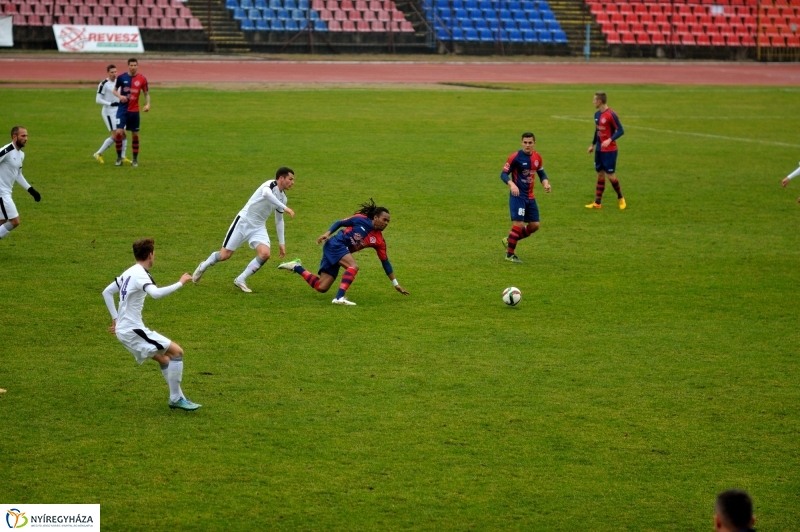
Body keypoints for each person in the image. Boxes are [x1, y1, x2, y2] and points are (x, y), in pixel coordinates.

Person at [102, 238, 200, 411]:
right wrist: (180, 283)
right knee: (177, 352)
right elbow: (155, 294)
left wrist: (116, 319)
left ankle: (178, 397)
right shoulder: (140, 274)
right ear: (150, 255)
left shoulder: (129, 271)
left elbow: (107, 292)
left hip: (125, 330)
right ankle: (176, 399)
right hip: (133, 330)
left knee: (164, 358)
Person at [278, 199, 409, 306]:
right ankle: (339, 298)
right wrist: (327, 233)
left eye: (388, 221)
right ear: (375, 217)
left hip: (339, 252)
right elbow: (340, 222)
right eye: (384, 220)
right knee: (353, 266)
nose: (386, 223)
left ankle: (296, 266)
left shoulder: (379, 241)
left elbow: (385, 262)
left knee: (321, 287)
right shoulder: (360, 219)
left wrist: (395, 284)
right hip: (336, 244)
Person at [192, 167, 296, 293]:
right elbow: (266, 194)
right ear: (281, 178)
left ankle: (240, 279)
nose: (292, 182)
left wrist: (282, 243)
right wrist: (286, 208)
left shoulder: (283, 198)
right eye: (290, 179)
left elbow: (279, 220)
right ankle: (204, 265)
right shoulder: (269, 185)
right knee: (224, 255)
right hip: (243, 222)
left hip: (258, 227)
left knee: (265, 254)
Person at [500, 132, 551, 263]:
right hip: (518, 196)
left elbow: (541, 173)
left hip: (530, 197)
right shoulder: (515, 157)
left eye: (530, 143)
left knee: (535, 225)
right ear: (521, 142)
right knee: (518, 223)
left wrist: (546, 183)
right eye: (525, 142)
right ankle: (510, 255)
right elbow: (504, 174)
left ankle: (509, 240)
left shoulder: (537, 157)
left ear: (534, 143)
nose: (527, 145)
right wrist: (512, 184)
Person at [586, 92, 626, 210]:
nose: (593, 102)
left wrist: (610, 140)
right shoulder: (597, 115)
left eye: (594, 100)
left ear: (599, 101)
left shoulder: (611, 114)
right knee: (600, 174)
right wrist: (593, 144)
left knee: (611, 176)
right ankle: (597, 203)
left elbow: (621, 130)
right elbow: (597, 131)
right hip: (599, 150)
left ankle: (621, 198)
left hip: (610, 150)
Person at [0, 126, 41, 241]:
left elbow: (18, 174)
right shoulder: (7, 150)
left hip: (6, 192)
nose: (26, 138)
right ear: (14, 137)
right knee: (15, 221)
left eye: (26, 136)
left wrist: (31, 190)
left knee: (2, 223)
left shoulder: (21, 154)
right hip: (2, 194)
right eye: (23, 136)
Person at [113, 58, 149, 168]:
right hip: (122, 110)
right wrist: (120, 96)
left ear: (137, 66)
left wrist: (147, 104)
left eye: (135, 65)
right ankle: (119, 158)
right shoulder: (121, 77)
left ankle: (134, 159)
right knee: (119, 132)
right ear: (128, 66)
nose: (133, 67)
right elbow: (114, 90)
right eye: (131, 65)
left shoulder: (142, 79)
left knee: (135, 135)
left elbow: (146, 93)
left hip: (134, 111)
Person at [93, 64, 129, 165]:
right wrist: (110, 103)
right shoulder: (104, 84)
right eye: (112, 72)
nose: (114, 74)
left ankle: (122, 157)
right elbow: (98, 100)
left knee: (124, 133)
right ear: (108, 73)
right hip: (108, 112)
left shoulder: (119, 82)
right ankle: (98, 153)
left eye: (115, 72)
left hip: (119, 111)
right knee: (115, 135)